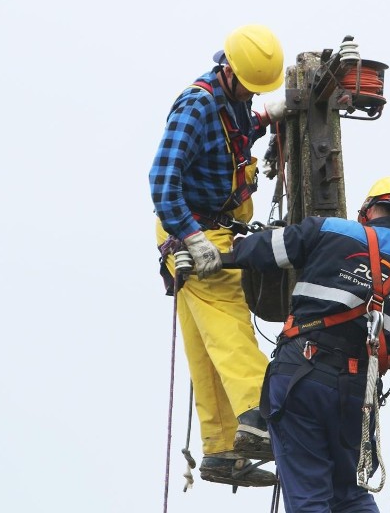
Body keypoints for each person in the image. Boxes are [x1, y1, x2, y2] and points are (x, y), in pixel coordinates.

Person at [231, 176, 390, 512]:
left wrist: (218, 251)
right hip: (357, 393)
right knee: (350, 493)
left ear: (367, 211)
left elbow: (259, 250)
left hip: (300, 377)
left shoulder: (330, 230)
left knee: (309, 494)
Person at [149, 24, 288, 487]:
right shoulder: (197, 105)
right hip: (196, 236)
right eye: (248, 85)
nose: (251, 92)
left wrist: (267, 117)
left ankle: (222, 449)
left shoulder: (233, 101)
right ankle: (260, 411)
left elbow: (236, 134)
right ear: (227, 69)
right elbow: (162, 180)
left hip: (206, 232)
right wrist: (191, 238)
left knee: (205, 347)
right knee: (230, 323)